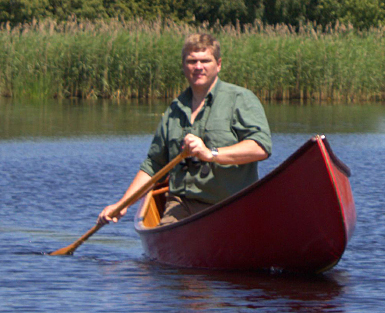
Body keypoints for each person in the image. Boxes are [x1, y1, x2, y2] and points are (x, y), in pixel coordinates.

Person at [102, 32, 272, 226]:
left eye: (205, 60)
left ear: (218, 64)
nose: (198, 67)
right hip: (182, 206)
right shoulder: (174, 109)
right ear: (183, 66)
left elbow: (261, 147)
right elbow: (153, 165)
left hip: (230, 206)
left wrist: (210, 154)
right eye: (192, 61)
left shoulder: (240, 99)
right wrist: (122, 205)